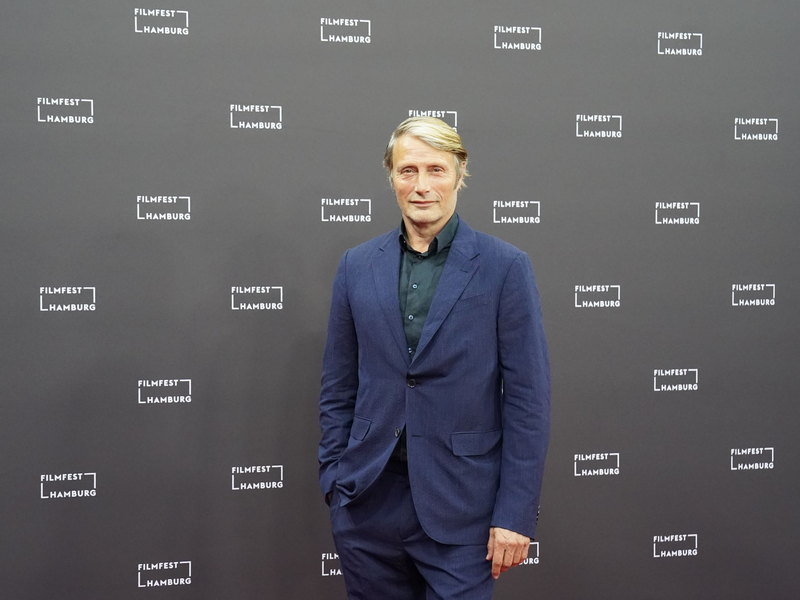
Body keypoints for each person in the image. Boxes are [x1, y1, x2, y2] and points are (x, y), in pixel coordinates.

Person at [318, 116, 550, 599]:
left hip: (464, 509)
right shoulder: (356, 266)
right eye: (408, 171)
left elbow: (528, 398)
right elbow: (338, 385)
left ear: (460, 172)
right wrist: (335, 482)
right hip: (367, 505)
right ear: (391, 176)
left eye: (436, 169)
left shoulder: (505, 267)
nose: (421, 186)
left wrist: (514, 514)